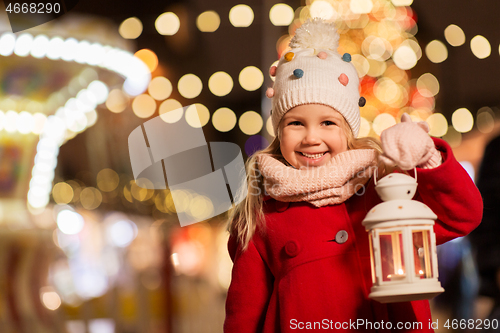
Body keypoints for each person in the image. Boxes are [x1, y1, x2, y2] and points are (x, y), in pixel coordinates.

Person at [224, 19, 482, 333]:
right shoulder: (260, 214)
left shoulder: (384, 185)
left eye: (328, 123)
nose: (311, 138)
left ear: (348, 130)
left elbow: (462, 215)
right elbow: (244, 316)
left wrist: (429, 157)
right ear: (279, 131)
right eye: (296, 123)